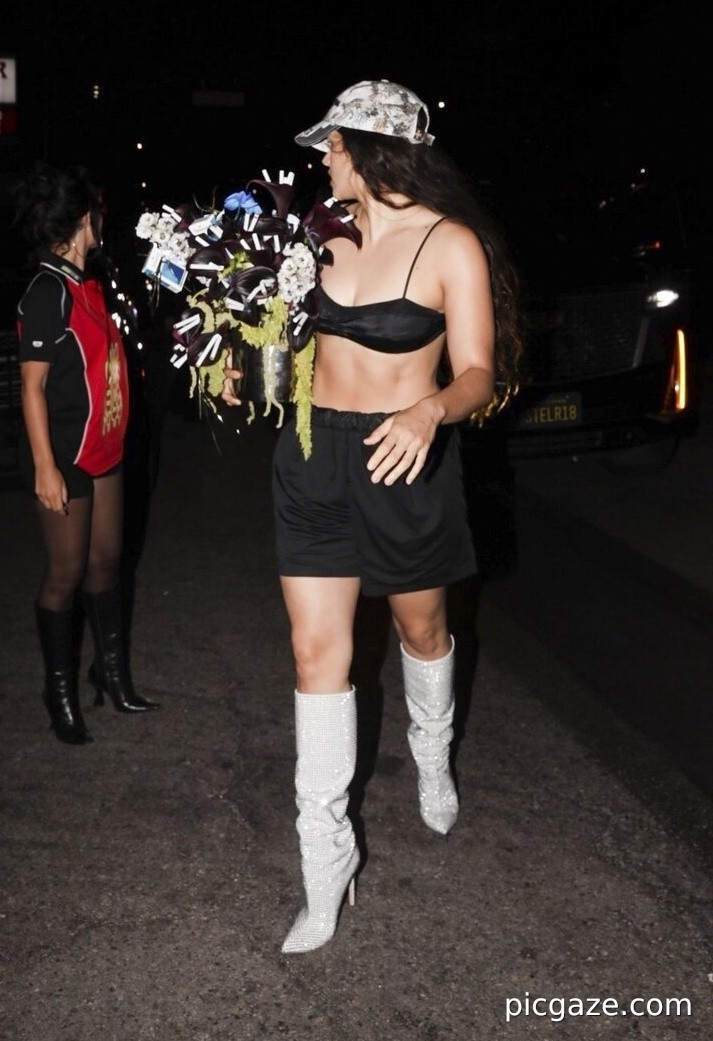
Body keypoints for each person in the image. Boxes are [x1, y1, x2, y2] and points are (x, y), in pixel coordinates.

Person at [222, 79, 522, 953]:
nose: (324, 158)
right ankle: (326, 863)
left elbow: (477, 371)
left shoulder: (448, 242)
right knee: (316, 653)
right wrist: (243, 358)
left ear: (371, 149)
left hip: (404, 455)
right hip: (312, 455)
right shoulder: (312, 234)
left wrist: (431, 410)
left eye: (333, 144)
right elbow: (282, 334)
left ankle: (432, 752)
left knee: (420, 629)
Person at [13, 162, 158, 746]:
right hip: (65, 454)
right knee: (65, 574)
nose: (103, 220)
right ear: (82, 219)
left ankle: (111, 674)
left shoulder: (89, 284)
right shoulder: (46, 291)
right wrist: (45, 467)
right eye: (96, 213)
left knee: (106, 563)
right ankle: (59, 691)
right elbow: (32, 388)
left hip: (105, 447)